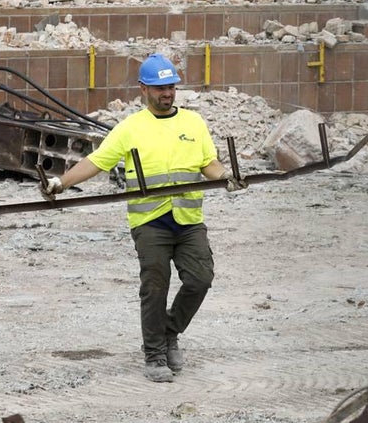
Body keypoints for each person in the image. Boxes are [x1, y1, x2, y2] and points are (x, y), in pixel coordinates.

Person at [41, 53, 239, 383]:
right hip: (150, 222)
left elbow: (209, 163)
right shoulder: (130, 128)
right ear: (143, 90)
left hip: (188, 218)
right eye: (160, 88)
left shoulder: (193, 123)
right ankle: (155, 354)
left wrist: (225, 176)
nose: (167, 93)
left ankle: (169, 331)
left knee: (200, 279)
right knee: (155, 287)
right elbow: (97, 161)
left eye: (171, 87)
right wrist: (61, 182)